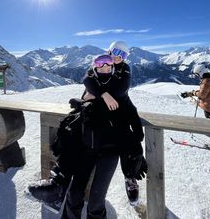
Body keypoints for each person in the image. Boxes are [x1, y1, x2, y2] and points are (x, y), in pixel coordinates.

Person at [28, 54, 147, 217]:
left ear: (113, 68)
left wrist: (137, 142)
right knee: (74, 194)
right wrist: (90, 100)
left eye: (108, 67)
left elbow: (132, 114)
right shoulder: (91, 87)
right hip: (87, 147)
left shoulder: (120, 92)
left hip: (109, 152)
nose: (105, 70)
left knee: (96, 202)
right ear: (95, 69)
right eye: (101, 67)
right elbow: (87, 89)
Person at [83, 41, 145, 206]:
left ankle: (130, 175)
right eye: (115, 52)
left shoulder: (125, 69)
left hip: (122, 104)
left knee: (132, 138)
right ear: (109, 51)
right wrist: (102, 94)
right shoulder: (100, 61)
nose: (118, 57)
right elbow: (87, 79)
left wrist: (97, 93)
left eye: (122, 54)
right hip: (103, 111)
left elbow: (120, 90)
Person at [181, 63, 210, 148]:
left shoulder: (206, 81)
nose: (197, 76)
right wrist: (192, 93)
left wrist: (193, 93)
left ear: (201, 72)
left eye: (197, 74)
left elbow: (202, 95)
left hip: (209, 107)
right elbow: (204, 91)